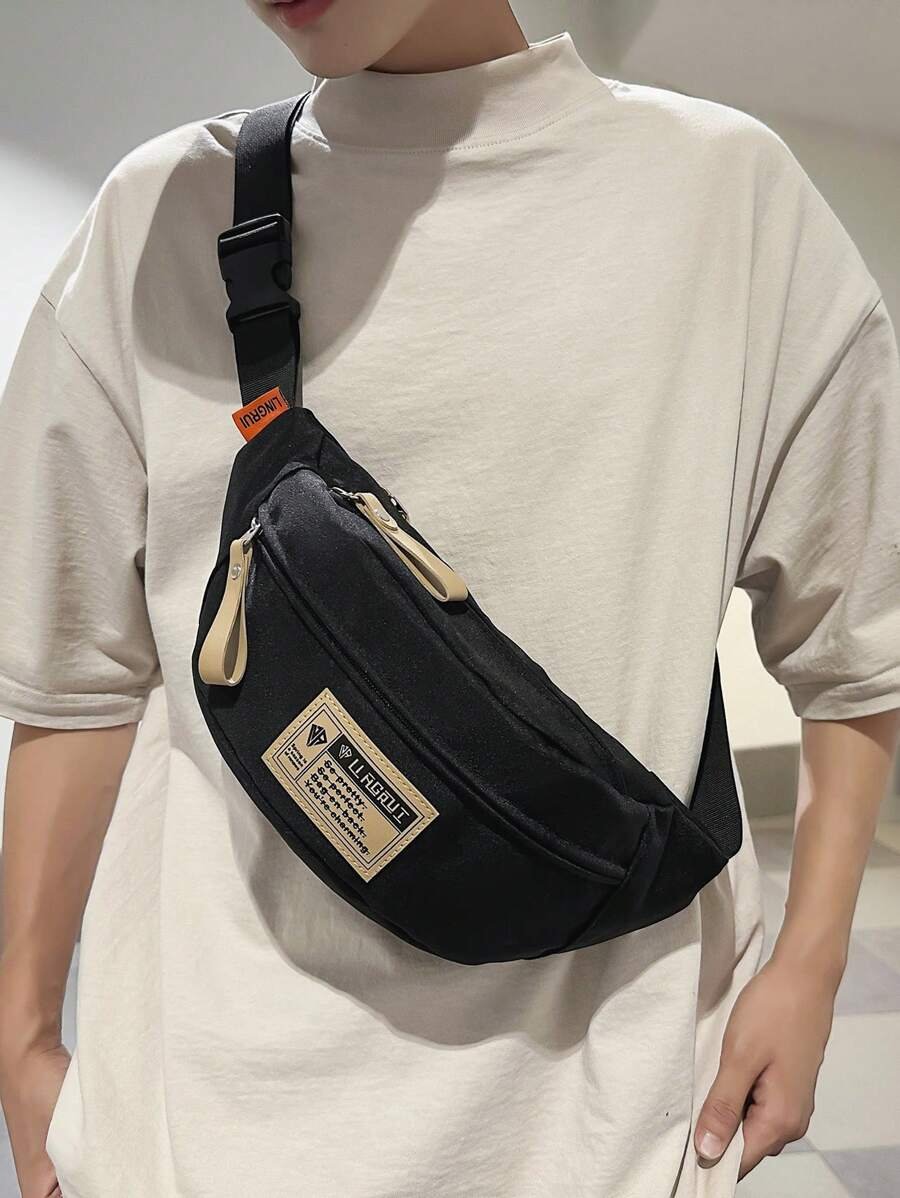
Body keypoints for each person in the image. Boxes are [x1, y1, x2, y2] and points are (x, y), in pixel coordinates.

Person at [1, 2, 898, 1196]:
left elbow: (859, 643)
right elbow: (73, 679)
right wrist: (23, 1044)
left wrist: (812, 967)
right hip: (198, 1128)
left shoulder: (726, 201)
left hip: (610, 1131)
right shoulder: (155, 218)